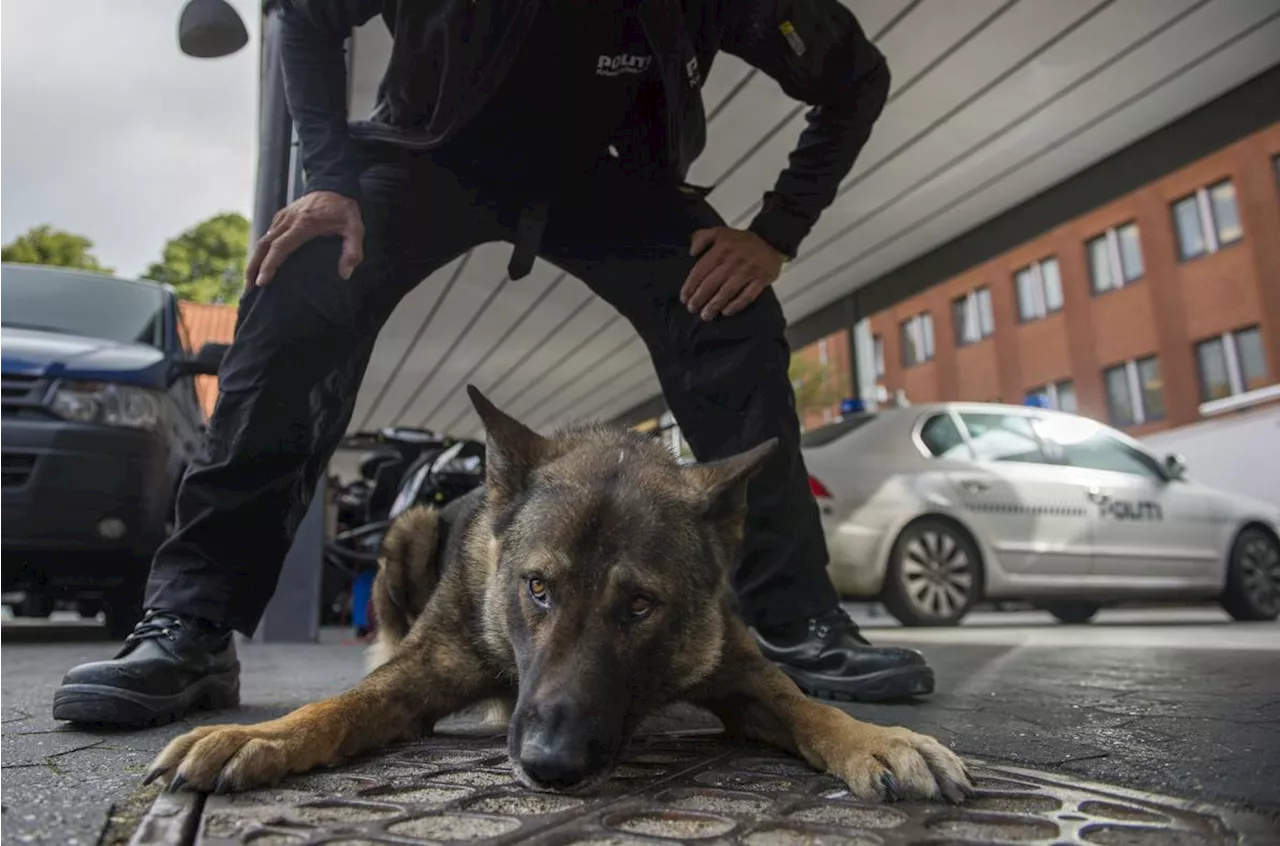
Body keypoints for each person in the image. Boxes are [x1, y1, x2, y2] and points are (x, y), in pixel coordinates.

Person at [53, 0, 934, 728]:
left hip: (616, 176)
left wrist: (775, 233)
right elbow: (311, 18)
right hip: (430, 154)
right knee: (305, 274)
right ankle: (193, 624)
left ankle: (796, 625)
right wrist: (326, 178)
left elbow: (855, 78)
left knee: (731, 311)